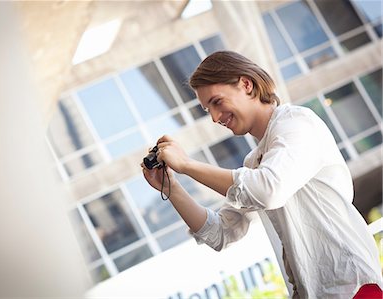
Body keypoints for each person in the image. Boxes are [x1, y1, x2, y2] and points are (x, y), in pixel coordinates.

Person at [141, 51, 382, 298]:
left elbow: (269, 190)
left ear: (246, 84)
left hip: (353, 288)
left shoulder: (296, 123)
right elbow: (221, 233)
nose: (214, 117)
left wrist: (187, 165)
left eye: (216, 102)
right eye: (207, 109)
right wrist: (172, 187)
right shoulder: (254, 162)